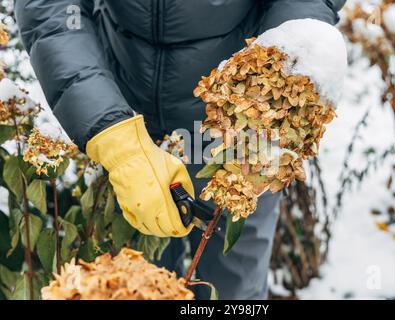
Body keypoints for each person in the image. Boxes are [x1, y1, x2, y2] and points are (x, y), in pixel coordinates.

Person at [15, 0, 347, 299]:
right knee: (137, 280)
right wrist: (113, 134)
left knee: (236, 286)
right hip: (125, 104)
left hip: (238, 125)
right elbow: (53, 10)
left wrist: (273, 87)